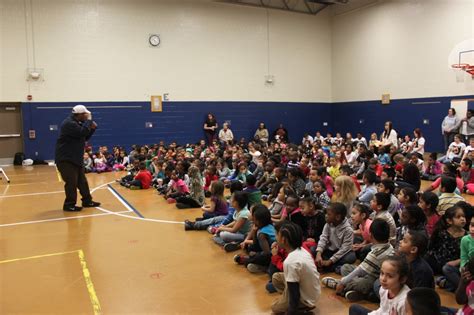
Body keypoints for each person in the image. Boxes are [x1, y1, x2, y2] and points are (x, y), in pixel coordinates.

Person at [322, 219, 394, 302]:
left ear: (370, 235)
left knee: (358, 282)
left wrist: (342, 282)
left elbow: (360, 271)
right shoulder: (389, 246)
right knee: (345, 268)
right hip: (369, 271)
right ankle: (358, 293)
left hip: (374, 277)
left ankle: (338, 285)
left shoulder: (376, 254)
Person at [55, 105, 100, 212]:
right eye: (85, 114)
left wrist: (92, 129)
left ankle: (87, 201)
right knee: (71, 182)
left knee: (82, 182)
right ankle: (69, 204)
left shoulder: (76, 123)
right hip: (66, 159)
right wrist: (89, 122)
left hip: (75, 158)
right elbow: (82, 132)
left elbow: (84, 137)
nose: (86, 116)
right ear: (79, 115)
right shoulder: (69, 124)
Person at [271, 222, 321, 315]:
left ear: (284, 240)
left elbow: (294, 294)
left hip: (306, 298)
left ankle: (302, 307)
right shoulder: (302, 250)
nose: (275, 238)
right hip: (312, 291)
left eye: (277, 235)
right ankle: (291, 302)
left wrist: (291, 312)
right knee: (276, 277)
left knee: (275, 308)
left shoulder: (290, 261)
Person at [425, 206, 466, 292]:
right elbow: (431, 247)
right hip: (438, 263)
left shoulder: (467, 236)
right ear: (449, 221)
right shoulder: (441, 232)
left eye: (463, 216)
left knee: (447, 269)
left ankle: (461, 289)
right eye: (458, 217)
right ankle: (451, 284)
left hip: (453, 266)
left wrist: (457, 262)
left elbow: (467, 256)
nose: (462, 219)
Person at [315, 202, 355, 273]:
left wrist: (330, 261)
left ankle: (331, 266)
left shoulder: (348, 230)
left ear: (338, 217)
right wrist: (319, 254)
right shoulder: (328, 224)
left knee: (350, 257)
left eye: (328, 214)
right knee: (314, 249)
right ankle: (329, 266)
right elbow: (323, 238)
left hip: (340, 252)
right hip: (330, 250)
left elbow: (344, 248)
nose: (326, 216)